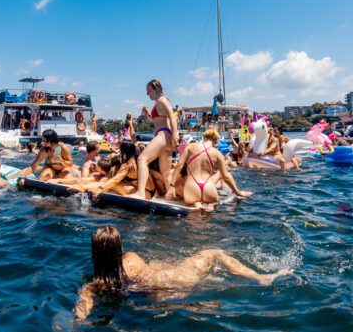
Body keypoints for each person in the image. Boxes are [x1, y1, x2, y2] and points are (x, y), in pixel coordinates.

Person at [74, 226, 293, 320]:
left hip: (158, 297)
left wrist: (77, 328)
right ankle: (261, 278)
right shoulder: (131, 258)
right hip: (176, 283)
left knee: (161, 263)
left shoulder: (94, 285)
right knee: (213, 253)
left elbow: (81, 312)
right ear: (118, 247)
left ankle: (196, 303)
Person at [166, 128, 251, 207]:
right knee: (213, 204)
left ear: (204, 137)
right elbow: (226, 177)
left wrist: (172, 186)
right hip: (208, 187)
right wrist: (238, 192)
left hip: (192, 186)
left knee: (195, 208)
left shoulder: (190, 147)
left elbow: (179, 166)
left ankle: (197, 204)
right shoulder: (218, 154)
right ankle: (210, 206)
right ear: (216, 140)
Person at [130, 80, 178, 199]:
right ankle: (171, 196)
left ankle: (141, 193)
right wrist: (150, 117)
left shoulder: (161, 100)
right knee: (166, 173)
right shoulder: (161, 100)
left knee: (142, 160)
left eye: (148, 90)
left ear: (156, 88)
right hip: (165, 136)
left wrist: (175, 136)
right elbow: (161, 119)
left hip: (163, 135)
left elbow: (172, 117)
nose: (147, 93)